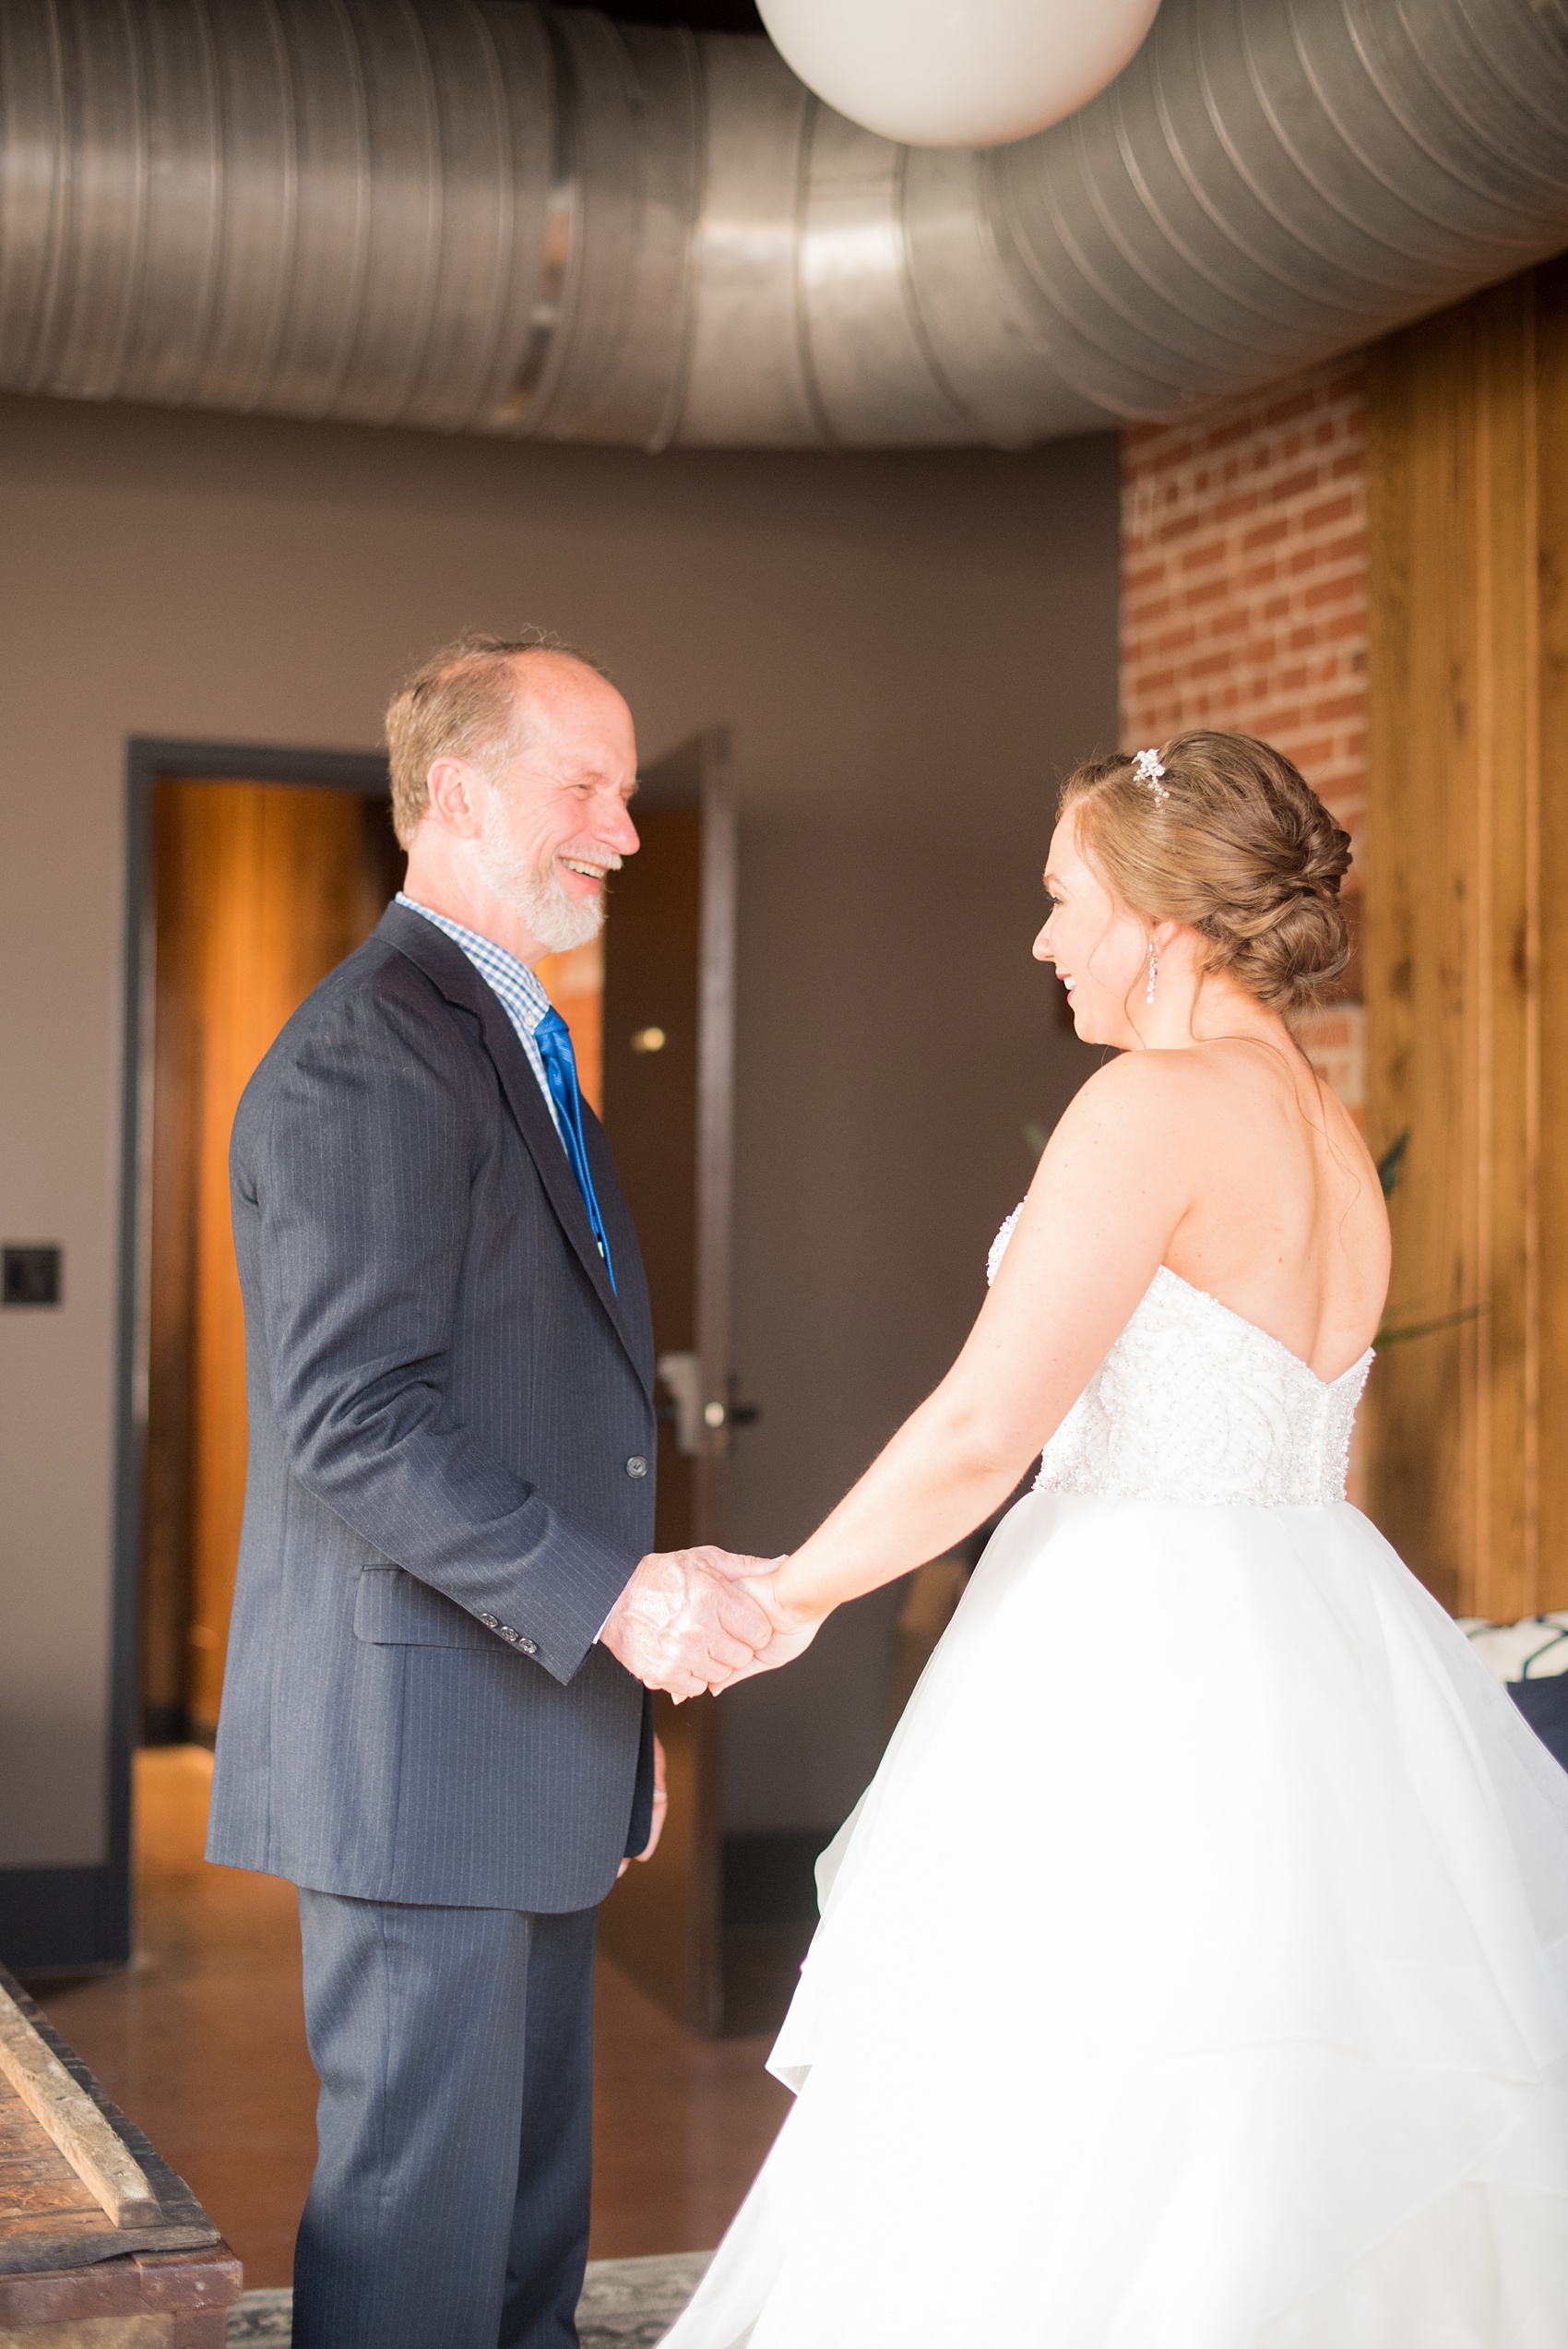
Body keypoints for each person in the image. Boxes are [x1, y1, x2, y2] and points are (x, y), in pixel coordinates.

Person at [664, 733, 1568, 2347]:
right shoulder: (1330, 1126)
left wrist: (790, 1594)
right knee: (1281, 2089)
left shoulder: (1148, 1106)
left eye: (1062, 896)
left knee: (1070, 2084)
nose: (1042, 938)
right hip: (1319, 1648)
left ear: (1162, 919)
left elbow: (979, 1431)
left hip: (1135, 1659)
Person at [206, 631, 772, 2349]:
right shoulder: (370, 1048)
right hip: (412, 1754)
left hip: (516, 1723)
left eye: (623, 785)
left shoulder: (523, 1040)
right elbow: (352, 1418)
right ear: (456, 794)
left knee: (522, 2232)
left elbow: (544, 1421)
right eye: (582, 785)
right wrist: (618, 1606)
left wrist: (611, 1711)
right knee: (418, 2247)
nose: (625, 825)